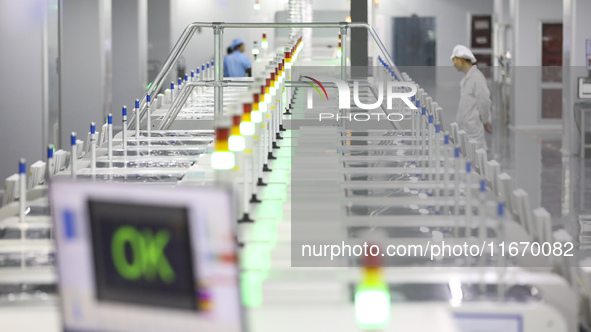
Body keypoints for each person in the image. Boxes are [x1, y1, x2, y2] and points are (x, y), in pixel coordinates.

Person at [451, 45, 493, 151]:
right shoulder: (468, 78)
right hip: (466, 128)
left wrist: (485, 120)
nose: (453, 64)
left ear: (461, 60)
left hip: (472, 130)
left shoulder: (477, 77)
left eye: (454, 60)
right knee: (467, 160)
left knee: (475, 161)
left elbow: (484, 101)